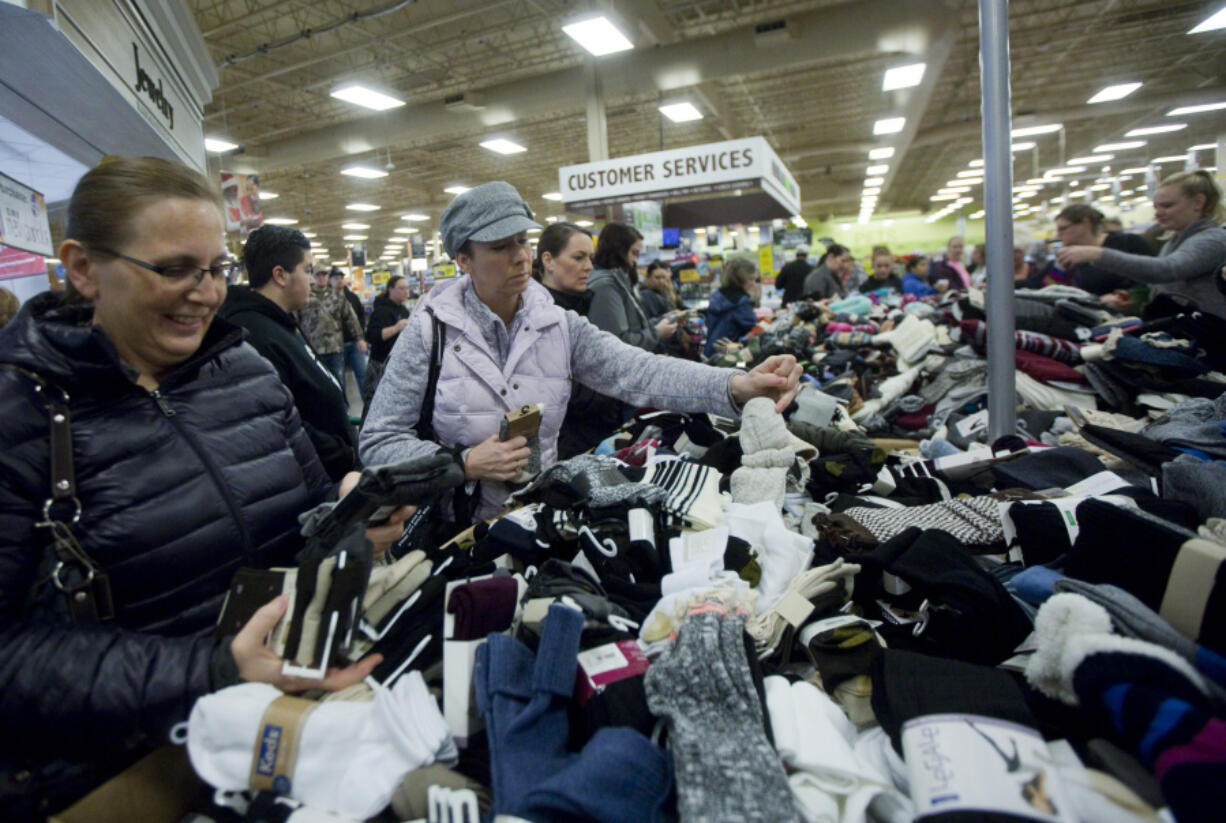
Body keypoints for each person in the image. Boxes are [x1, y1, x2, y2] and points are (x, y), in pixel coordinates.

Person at [0, 157, 405, 819]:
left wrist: (351, 514)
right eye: (174, 269)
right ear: (81, 268)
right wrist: (212, 670)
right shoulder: (21, 412)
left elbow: (305, 516)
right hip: (135, 768)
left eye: (216, 269)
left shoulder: (242, 366)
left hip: (285, 718)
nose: (206, 293)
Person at [360, 181, 801, 522]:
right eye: (500, 247)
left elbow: (637, 371)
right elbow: (379, 441)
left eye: (521, 241)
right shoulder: (429, 330)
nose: (519, 257)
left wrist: (735, 385)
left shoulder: (555, 322)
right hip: (452, 532)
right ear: (463, 260)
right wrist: (463, 463)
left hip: (536, 518)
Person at [219, 224, 358, 480]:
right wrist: (342, 455)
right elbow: (280, 421)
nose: (311, 278)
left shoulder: (280, 323)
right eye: (307, 270)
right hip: (315, 478)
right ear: (280, 275)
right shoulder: (253, 336)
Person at [1057, 169, 1226, 318]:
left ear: (1198, 202)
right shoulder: (1173, 242)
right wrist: (1134, 297)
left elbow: (1166, 270)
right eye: (1156, 207)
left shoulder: (1213, 240)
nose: (1158, 214)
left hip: (1209, 341)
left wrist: (1097, 254)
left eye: (1167, 205)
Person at [533, 221, 621, 457]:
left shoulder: (582, 307)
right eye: (579, 258)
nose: (589, 267)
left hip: (597, 437)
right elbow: (563, 391)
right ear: (548, 260)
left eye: (590, 258)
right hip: (570, 449)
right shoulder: (538, 317)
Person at [588, 223, 677, 351]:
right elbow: (617, 343)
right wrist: (657, 333)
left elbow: (633, 327)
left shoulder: (616, 282)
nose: (635, 261)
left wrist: (661, 321)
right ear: (619, 250)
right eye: (634, 253)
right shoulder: (606, 286)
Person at [1050, 204, 1155, 295]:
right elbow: (1046, 288)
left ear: (1086, 224)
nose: (1058, 234)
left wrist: (1128, 296)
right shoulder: (1067, 255)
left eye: (1063, 228)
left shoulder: (1129, 243)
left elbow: (1153, 277)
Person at [295, 266, 364, 388]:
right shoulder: (304, 297)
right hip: (313, 349)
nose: (321, 278)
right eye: (318, 275)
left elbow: (351, 318)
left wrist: (359, 338)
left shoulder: (338, 296)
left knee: (338, 383)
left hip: (335, 348)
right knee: (316, 385)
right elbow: (295, 321)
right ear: (312, 277)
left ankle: (341, 407)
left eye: (324, 275)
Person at [362, 274, 412, 408]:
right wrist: (396, 328)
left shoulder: (403, 310)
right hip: (380, 365)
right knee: (374, 406)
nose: (406, 291)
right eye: (401, 288)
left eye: (407, 288)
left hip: (397, 364)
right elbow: (372, 336)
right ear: (391, 289)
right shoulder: (381, 311)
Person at [704, 257, 760, 357]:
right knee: (742, 371)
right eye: (751, 279)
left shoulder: (717, 295)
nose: (753, 283)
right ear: (740, 280)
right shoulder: (741, 302)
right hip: (732, 354)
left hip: (712, 351)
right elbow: (752, 329)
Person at [332, 268, 367, 403]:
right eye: (336, 278)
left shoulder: (353, 297)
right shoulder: (328, 299)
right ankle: (344, 409)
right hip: (336, 346)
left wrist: (361, 338)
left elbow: (360, 317)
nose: (339, 280)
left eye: (341, 277)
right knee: (339, 379)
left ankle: (369, 406)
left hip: (354, 343)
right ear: (331, 281)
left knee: (362, 375)